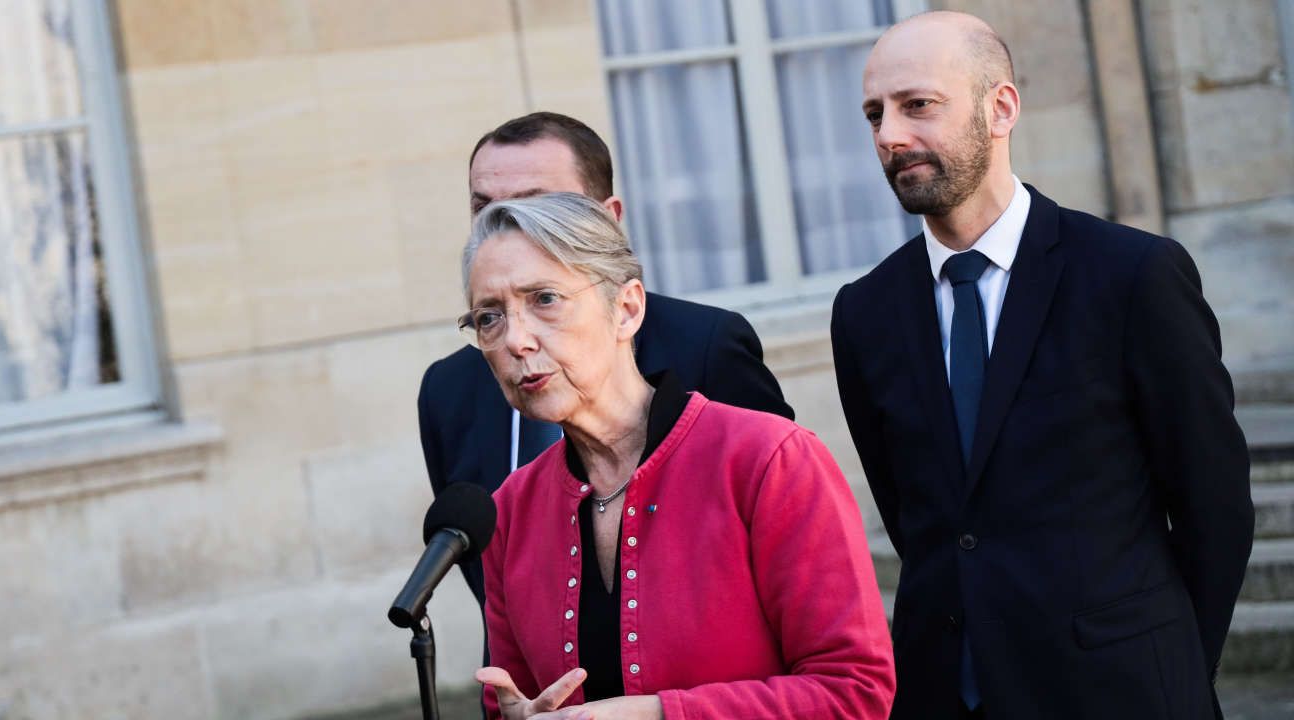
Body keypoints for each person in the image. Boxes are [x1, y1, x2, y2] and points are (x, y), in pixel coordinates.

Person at [831, 11, 1253, 719]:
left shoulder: (1131, 276)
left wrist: (1169, 666)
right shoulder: (864, 311)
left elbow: (1216, 507)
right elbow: (920, 521)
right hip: (944, 697)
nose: (889, 135)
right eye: (875, 113)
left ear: (1000, 109)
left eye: (918, 105)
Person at [465, 193, 894, 719]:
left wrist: (660, 714)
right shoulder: (508, 510)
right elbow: (508, 699)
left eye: (545, 299)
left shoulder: (767, 460)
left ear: (626, 310)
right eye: (489, 317)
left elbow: (855, 692)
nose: (516, 339)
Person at [418, 112, 793, 609]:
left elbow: (786, 534)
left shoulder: (706, 344)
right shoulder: (449, 390)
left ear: (609, 218)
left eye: (538, 206)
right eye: (484, 209)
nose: (505, 228)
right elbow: (489, 580)